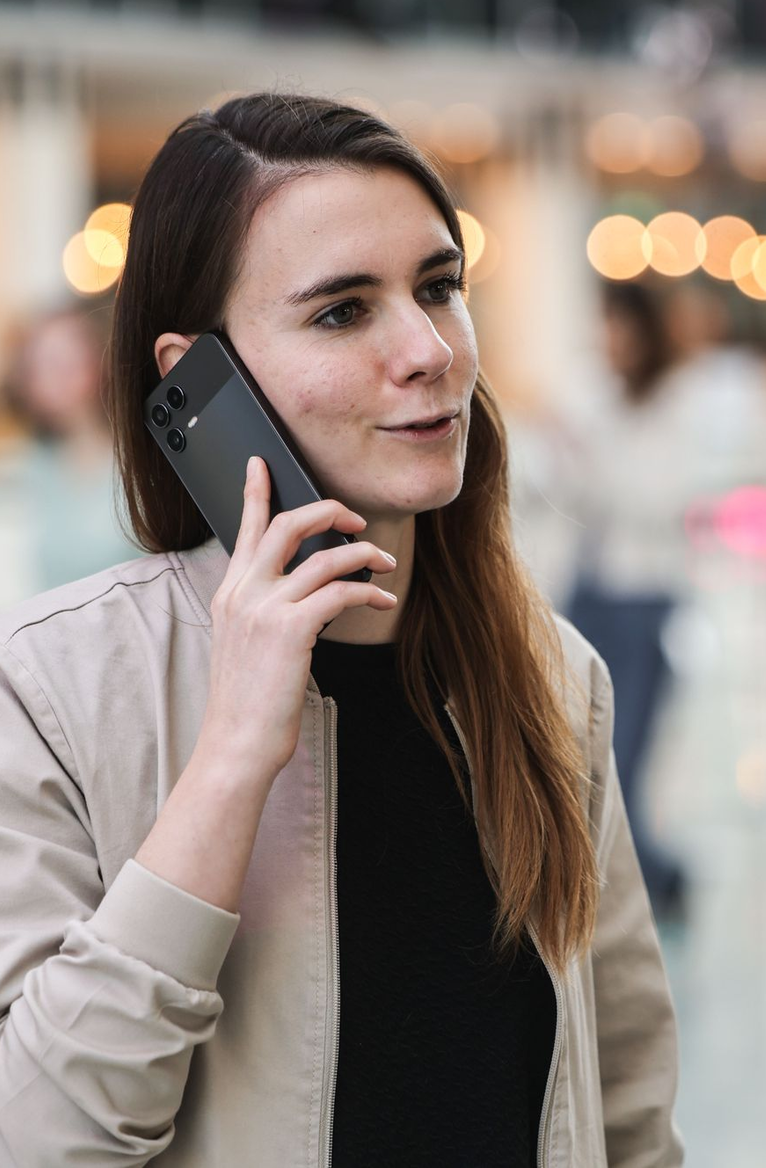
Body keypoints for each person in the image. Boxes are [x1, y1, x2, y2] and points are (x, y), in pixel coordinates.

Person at [0, 93, 682, 1166]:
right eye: (341, 311)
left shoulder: (553, 678)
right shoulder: (52, 690)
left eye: (440, 288)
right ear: (196, 378)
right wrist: (229, 760)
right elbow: (40, 1137)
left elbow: (629, 1106)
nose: (428, 351)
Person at [563, 282, 694, 922]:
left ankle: (654, 881)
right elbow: (565, 495)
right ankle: (642, 881)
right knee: (581, 747)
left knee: (627, 754)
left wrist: (592, 464)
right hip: (589, 593)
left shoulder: (678, 405)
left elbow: (667, 503)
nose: (607, 341)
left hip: (647, 600)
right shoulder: (596, 400)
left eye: (617, 327)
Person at [1, 303, 138, 593]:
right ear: (30, 385)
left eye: (70, 350)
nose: (63, 368)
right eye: (47, 362)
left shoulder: (141, 458)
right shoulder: (23, 473)